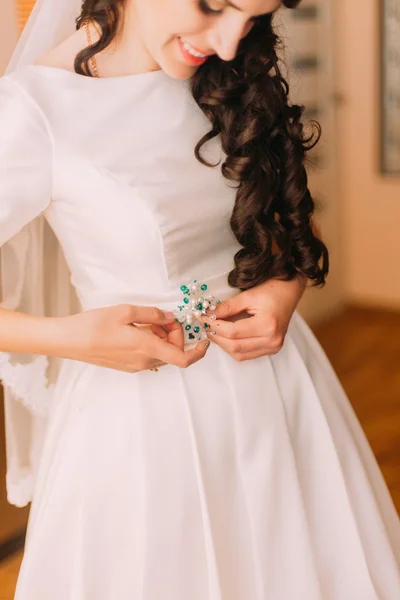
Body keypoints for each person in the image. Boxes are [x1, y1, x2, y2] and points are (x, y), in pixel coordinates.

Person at [0, 0, 399, 598]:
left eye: (253, 18)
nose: (233, 42)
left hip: (283, 393)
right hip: (140, 424)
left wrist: (284, 290)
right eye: (215, 6)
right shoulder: (34, 111)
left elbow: (292, 224)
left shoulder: (226, 75)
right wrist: (74, 338)